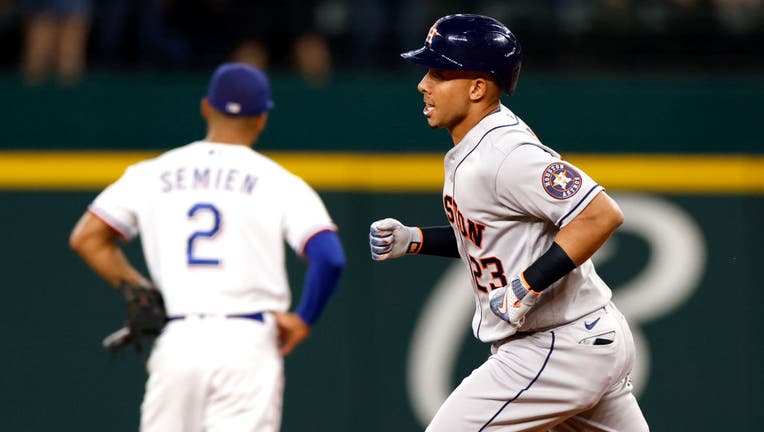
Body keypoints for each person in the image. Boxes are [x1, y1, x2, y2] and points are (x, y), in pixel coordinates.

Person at [369, 14, 649, 431]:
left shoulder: (504, 153)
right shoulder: (482, 144)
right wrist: (415, 239)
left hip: (555, 346)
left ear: (477, 87)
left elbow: (601, 214)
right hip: (583, 338)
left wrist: (529, 283)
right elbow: (492, 234)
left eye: (439, 72)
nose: (423, 84)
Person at [69, 62, 346, 431]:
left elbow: (87, 237)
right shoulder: (280, 181)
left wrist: (137, 287)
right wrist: (303, 319)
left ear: (205, 107)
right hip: (247, 340)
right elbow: (329, 258)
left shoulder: (152, 173)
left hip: (178, 338)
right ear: (262, 118)